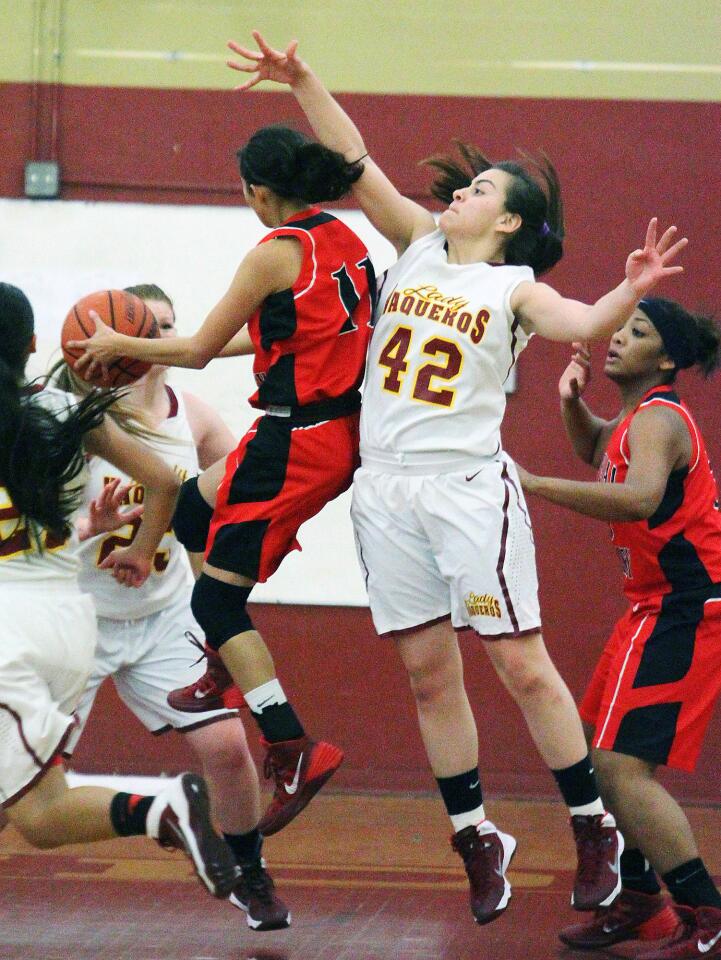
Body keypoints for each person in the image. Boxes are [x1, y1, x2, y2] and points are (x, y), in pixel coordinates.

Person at [209, 31, 690, 926]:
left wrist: (628, 292)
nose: (459, 193)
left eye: (479, 191)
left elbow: (580, 315)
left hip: (467, 491)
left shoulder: (511, 289)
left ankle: (592, 826)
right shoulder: (418, 246)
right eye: (463, 186)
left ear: (507, 222)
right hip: (384, 489)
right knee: (430, 677)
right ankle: (476, 837)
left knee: (519, 664)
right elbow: (354, 161)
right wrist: (304, 76)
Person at [68, 124, 375, 836]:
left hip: (297, 437)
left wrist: (123, 343)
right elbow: (268, 335)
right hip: (317, 430)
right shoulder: (345, 239)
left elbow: (202, 348)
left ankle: (292, 744)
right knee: (192, 513)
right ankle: (221, 663)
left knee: (217, 603)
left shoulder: (274, 251)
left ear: (259, 192)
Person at [56, 283, 289, 931]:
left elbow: (236, 500)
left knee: (226, 746)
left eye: (167, 327)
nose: (158, 339)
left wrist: (223, 585)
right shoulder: (72, 414)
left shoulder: (195, 416)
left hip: (162, 616)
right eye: (146, 326)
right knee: (24, 781)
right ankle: (160, 814)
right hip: (76, 615)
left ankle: (249, 871)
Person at [0, 281, 239, 900]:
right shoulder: (58, 411)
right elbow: (164, 481)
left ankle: (164, 807)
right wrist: (100, 532)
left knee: (41, 815)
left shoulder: (58, 406)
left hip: (12, 629)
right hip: (68, 615)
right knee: (16, 803)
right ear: (31, 343)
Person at [517, 299, 721, 959]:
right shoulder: (632, 419)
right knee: (591, 749)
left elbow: (636, 496)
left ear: (664, 359)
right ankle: (640, 906)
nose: (616, 338)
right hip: (652, 603)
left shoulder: (661, 420)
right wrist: (570, 401)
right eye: (620, 326)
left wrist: (531, 484)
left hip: (690, 604)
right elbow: (594, 450)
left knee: (619, 768)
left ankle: (703, 912)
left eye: (637, 332)